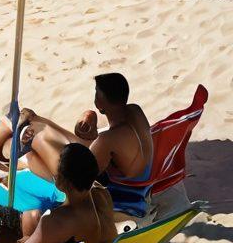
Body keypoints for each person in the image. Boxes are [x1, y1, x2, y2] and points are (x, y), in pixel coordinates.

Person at [15, 73, 154, 219]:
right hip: (141, 183)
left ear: (99, 102)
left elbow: (79, 174)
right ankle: (34, 121)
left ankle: (30, 142)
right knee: (42, 133)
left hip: (122, 196)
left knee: (38, 144)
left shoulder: (107, 140)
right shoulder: (134, 111)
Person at [18, 143, 117, 243]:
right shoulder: (101, 193)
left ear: (66, 181)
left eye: (58, 170)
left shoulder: (56, 220)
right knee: (31, 215)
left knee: (28, 217)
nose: (55, 173)